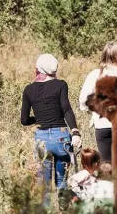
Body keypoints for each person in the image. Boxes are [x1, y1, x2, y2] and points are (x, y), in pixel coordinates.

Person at [21, 54, 81, 196]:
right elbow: (66, 109)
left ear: (39, 68)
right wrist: (75, 131)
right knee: (62, 182)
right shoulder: (61, 85)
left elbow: (24, 120)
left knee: (44, 185)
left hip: (41, 139)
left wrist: (40, 119)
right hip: (61, 137)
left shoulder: (29, 89)